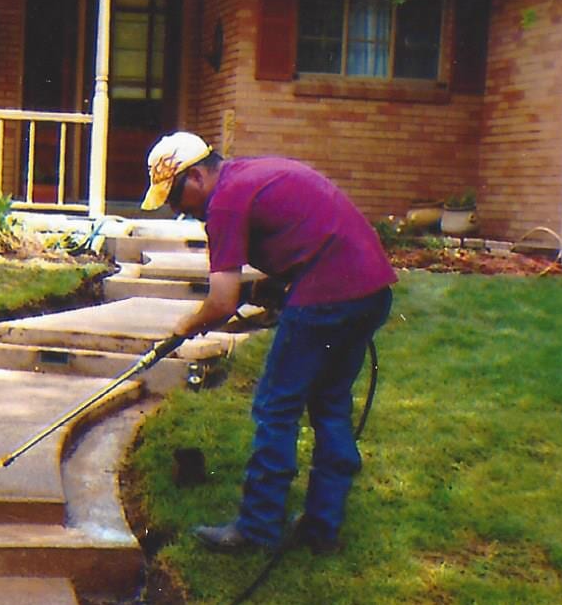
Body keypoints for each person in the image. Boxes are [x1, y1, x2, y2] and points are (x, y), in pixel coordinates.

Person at [142, 131, 397, 554]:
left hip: (327, 295)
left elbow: (221, 301)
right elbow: (298, 234)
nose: (176, 209)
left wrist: (185, 327)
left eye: (174, 196)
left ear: (197, 177)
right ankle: (321, 528)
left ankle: (257, 529)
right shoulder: (246, 176)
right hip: (371, 289)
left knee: (276, 407)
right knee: (331, 403)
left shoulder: (222, 203)